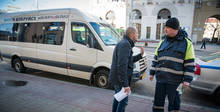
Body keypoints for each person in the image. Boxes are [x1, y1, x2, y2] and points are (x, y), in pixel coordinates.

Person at [149, 17, 195, 112]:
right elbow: (156, 59)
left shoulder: (187, 43)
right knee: (158, 102)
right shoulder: (162, 42)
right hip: (161, 79)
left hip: (175, 81)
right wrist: (152, 73)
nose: (165, 29)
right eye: (165, 27)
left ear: (175, 29)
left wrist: (187, 80)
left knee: (174, 103)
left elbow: (190, 63)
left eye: (168, 27)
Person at [109, 27, 144, 112]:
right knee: (123, 102)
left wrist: (140, 55)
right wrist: (125, 85)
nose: (138, 35)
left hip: (118, 79)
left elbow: (128, 60)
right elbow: (122, 66)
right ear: (132, 34)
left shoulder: (125, 43)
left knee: (118, 99)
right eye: (137, 33)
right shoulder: (125, 44)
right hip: (120, 80)